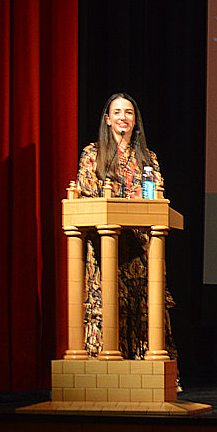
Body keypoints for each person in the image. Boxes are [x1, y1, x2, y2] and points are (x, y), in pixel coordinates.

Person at [76, 92, 176, 363]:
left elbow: (155, 197)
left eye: (129, 112)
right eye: (117, 112)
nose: (123, 117)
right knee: (109, 307)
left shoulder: (148, 158)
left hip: (142, 251)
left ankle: (144, 371)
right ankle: (103, 372)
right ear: (107, 119)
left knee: (145, 309)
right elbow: (86, 196)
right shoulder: (93, 154)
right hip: (107, 248)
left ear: (135, 121)